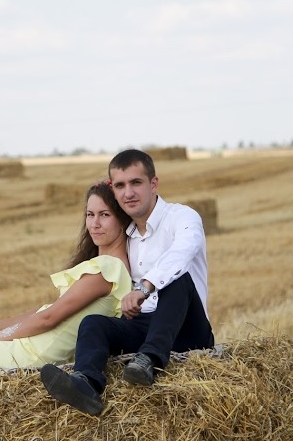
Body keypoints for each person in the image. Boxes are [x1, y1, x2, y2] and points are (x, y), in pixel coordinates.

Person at [40, 149, 215, 415]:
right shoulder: (128, 236)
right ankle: (87, 384)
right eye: (120, 185)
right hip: (145, 327)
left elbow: (182, 252)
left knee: (177, 280)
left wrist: (144, 287)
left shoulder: (182, 217)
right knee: (94, 324)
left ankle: (149, 360)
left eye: (136, 182)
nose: (128, 193)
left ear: (153, 183)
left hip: (187, 329)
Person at [0, 181, 133, 370]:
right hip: (28, 341)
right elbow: (43, 312)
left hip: (29, 355)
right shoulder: (104, 265)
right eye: (90, 214)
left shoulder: (107, 269)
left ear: (123, 219)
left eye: (105, 215)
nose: (94, 224)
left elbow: (48, 318)